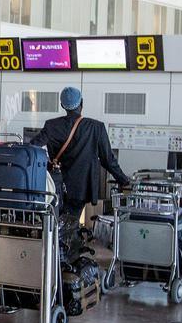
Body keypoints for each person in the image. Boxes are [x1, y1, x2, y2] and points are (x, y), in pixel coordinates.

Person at [30, 86, 131, 224]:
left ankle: (55, 243)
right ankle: (64, 243)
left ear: (62, 105)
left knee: (55, 221)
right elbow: (108, 160)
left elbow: (32, 147)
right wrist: (123, 180)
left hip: (56, 185)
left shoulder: (51, 126)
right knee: (71, 222)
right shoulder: (97, 127)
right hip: (81, 188)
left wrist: (47, 164)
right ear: (81, 103)